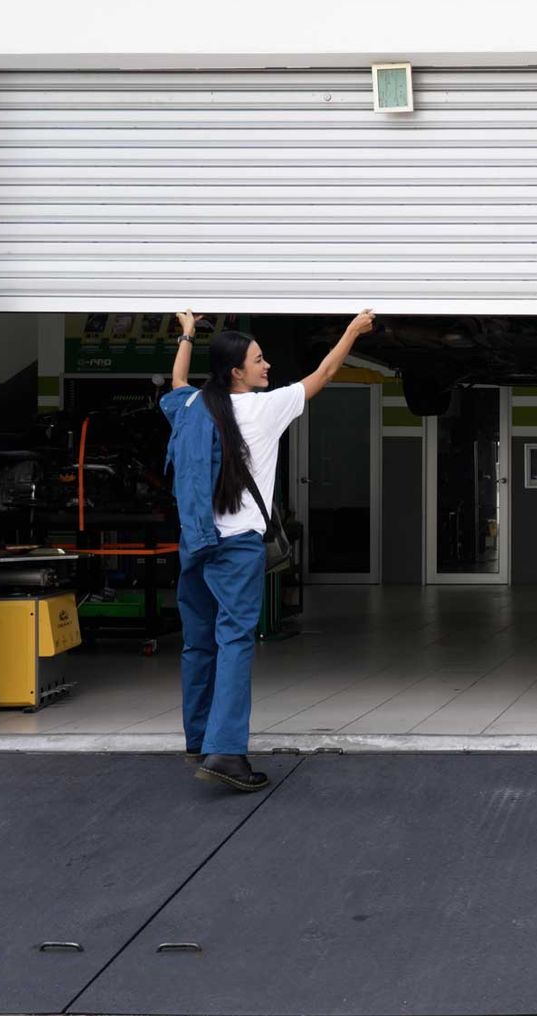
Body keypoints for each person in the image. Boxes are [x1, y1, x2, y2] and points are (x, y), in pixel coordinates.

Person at [160, 309, 375, 791]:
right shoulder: (265, 408)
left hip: (195, 544)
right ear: (236, 371)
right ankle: (227, 753)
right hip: (236, 549)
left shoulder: (193, 406)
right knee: (235, 644)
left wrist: (188, 333)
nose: (267, 366)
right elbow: (326, 373)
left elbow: (176, 381)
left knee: (199, 643)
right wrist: (351, 331)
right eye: (258, 361)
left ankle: (198, 739)